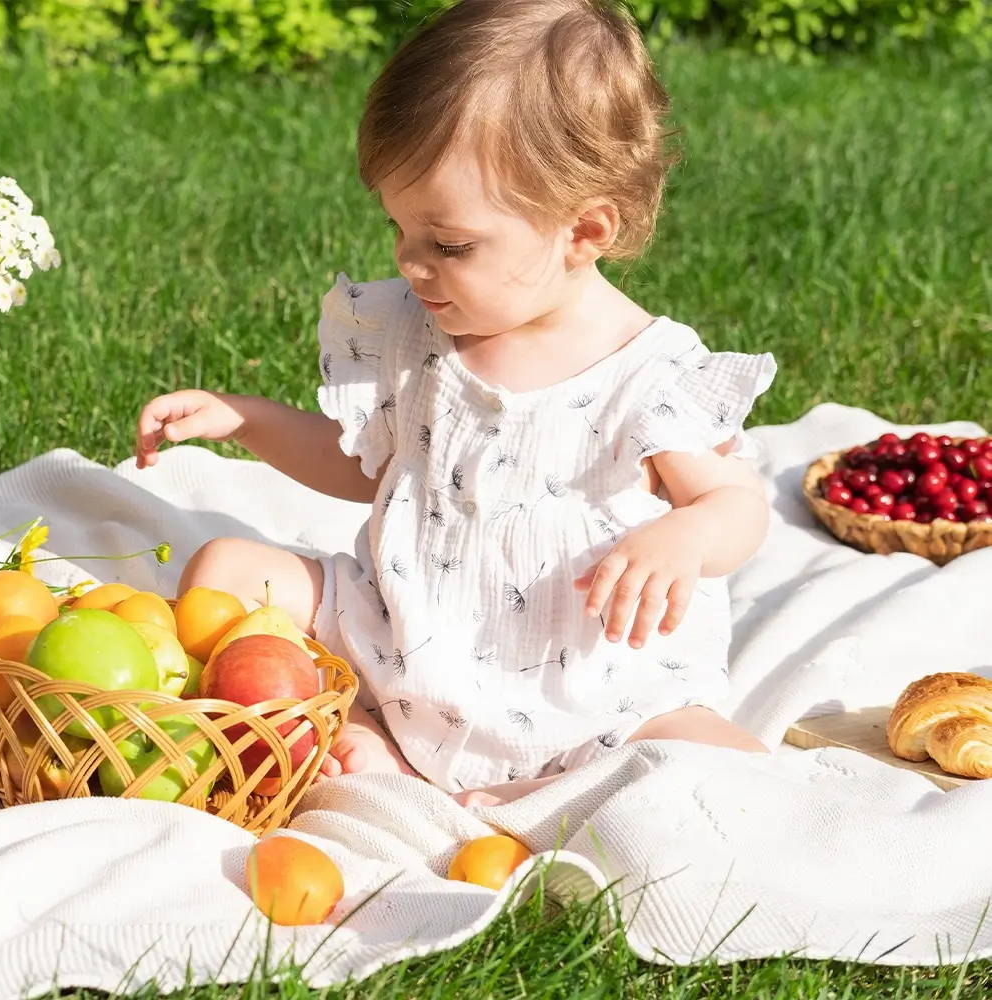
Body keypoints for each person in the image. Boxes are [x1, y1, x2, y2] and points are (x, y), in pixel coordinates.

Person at [133, 0, 776, 807]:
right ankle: (365, 721)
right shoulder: (414, 332)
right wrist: (248, 419)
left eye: (449, 244)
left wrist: (684, 538)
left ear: (583, 231)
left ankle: (546, 790)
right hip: (407, 629)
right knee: (225, 570)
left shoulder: (644, 374)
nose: (411, 263)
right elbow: (370, 469)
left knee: (718, 768)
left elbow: (734, 506)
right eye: (398, 229)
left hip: (584, 681)